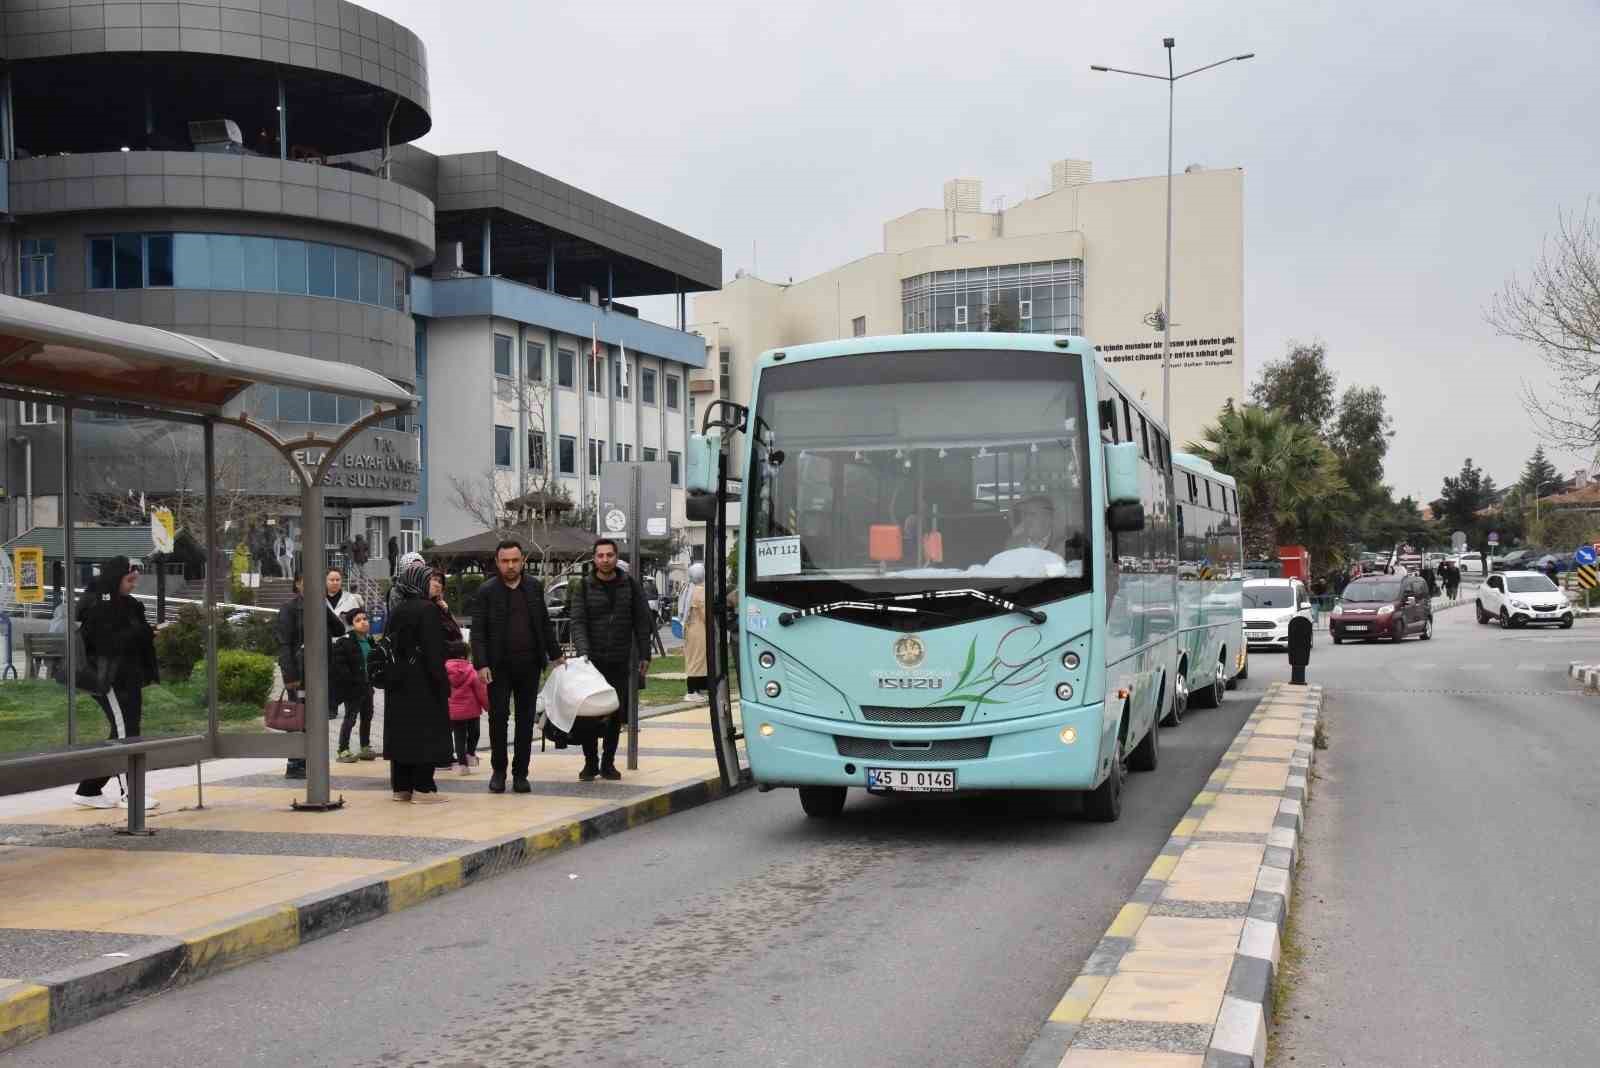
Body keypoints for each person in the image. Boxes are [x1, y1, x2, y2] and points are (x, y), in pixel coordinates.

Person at [469, 540, 560, 794]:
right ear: (497, 562)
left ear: (522, 561)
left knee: (524, 720)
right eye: (505, 561)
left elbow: (543, 623)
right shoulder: (487, 591)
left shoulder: (533, 587)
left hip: (529, 665)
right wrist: (481, 663)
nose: (510, 566)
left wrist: (556, 655)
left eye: (515, 561)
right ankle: (499, 771)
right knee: (498, 719)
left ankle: (521, 773)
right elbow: (478, 631)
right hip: (498, 668)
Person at [72, 557, 161, 810]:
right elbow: (107, 643)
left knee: (122, 731)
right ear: (115, 578)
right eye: (129, 580)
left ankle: (89, 790)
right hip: (109, 679)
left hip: (128, 676)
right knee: (126, 733)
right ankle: (131, 793)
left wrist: (147, 631)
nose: (133, 585)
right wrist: (142, 632)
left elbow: (132, 634)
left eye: (135, 580)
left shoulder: (129, 604)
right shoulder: (98, 605)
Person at [568, 538, 653, 782]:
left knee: (615, 713)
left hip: (620, 659)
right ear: (594, 559)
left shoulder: (630, 585)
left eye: (609, 555)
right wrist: (584, 652)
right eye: (600, 555)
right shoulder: (583, 586)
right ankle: (590, 762)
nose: (605, 559)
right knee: (589, 715)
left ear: (616, 557)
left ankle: (608, 762)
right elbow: (578, 621)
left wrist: (645, 653)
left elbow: (641, 621)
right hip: (591, 663)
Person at [381, 553, 453, 804]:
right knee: (426, 734)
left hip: (398, 683)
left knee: (402, 735)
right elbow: (434, 652)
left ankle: (402, 788)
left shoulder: (397, 609)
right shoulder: (428, 610)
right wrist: (443, 683)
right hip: (423, 684)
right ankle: (424, 788)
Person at [332, 606, 383, 763]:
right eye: (358, 620)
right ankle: (343, 749)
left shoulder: (370, 640)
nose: (363, 622)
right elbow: (340, 665)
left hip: (368, 686)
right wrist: (350, 682)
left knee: (367, 716)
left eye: (365, 619)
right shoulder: (345, 642)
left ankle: (365, 746)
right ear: (352, 624)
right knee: (351, 718)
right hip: (353, 687)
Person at [276, 574, 308, 780]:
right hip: (297, 671)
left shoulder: (319, 607)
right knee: (298, 714)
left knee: (312, 716)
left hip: (315, 671)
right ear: (297, 583)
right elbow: (284, 644)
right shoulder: (289, 609)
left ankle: (309, 759)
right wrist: (290, 675)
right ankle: (295, 763)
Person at [445, 639, 489, 773]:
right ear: (466, 654)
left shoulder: (444, 670)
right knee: (474, 734)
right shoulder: (472, 670)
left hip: (454, 712)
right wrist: (488, 707)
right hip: (472, 711)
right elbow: (481, 691)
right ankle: (470, 754)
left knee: (459, 738)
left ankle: (462, 765)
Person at [680, 562, 708, 696]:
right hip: (699, 629)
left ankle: (697, 688)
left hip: (689, 628)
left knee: (693, 659)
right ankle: (694, 690)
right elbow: (705, 613)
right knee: (699, 660)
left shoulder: (688, 588)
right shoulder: (701, 590)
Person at [428, 570, 463, 643]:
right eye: (434, 580)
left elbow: (457, 634)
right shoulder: (424, 605)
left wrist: (447, 612)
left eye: (440, 582)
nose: (437, 584)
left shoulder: (442, 607)